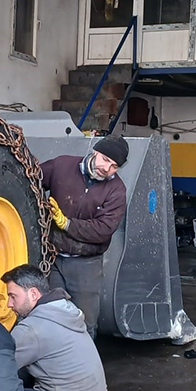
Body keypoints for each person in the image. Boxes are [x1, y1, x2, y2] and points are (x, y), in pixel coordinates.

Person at [41, 134, 129, 337]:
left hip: (86, 264)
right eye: (106, 160)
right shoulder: (61, 166)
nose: (106, 169)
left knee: (85, 323)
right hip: (52, 257)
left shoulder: (116, 190)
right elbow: (30, 177)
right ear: (95, 152)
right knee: (49, 317)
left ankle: (83, 367)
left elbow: (104, 229)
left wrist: (67, 224)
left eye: (114, 166)